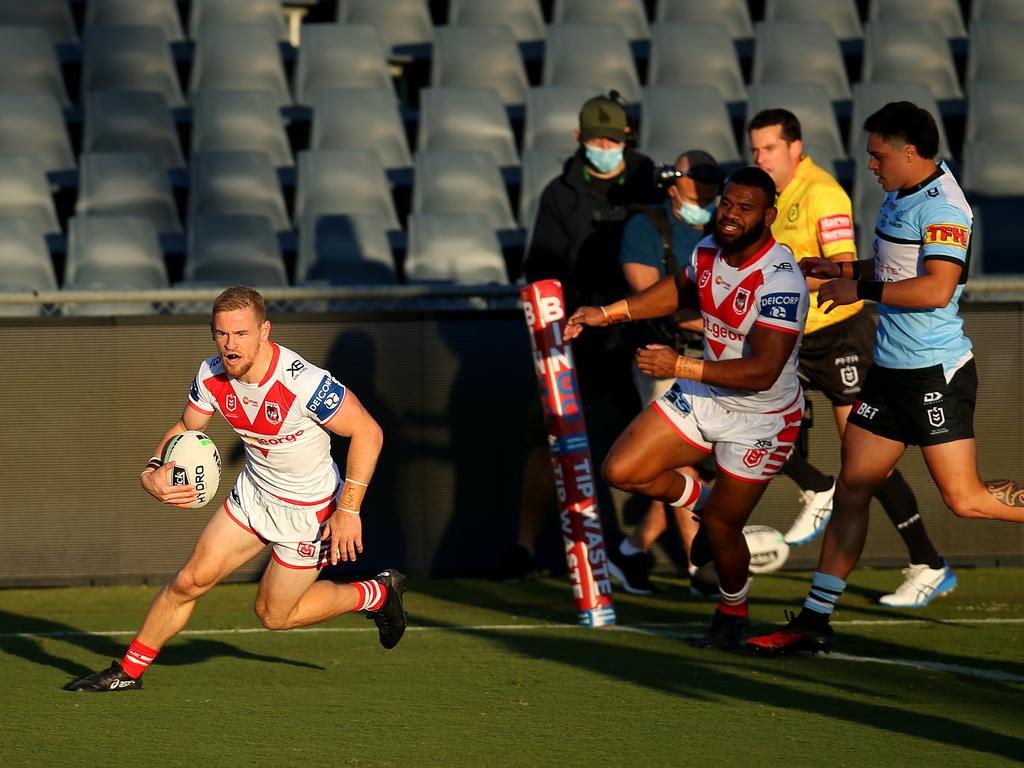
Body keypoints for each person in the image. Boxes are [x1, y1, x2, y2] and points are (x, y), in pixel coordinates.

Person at [747, 102, 1024, 657]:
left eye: (878, 154)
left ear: (910, 151)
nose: (870, 164)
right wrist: (842, 270)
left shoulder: (945, 206)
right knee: (853, 488)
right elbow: (897, 269)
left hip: (932, 374)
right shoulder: (899, 196)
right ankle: (815, 620)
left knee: (965, 500)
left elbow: (935, 289)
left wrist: (860, 292)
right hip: (890, 371)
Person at [66, 286, 405, 692]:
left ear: (265, 331)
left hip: (309, 513)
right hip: (254, 495)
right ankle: (128, 672)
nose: (230, 345)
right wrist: (152, 470)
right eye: (222, 334)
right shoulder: (211, 375)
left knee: (274, 615)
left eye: (241, 334)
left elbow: (368, 432)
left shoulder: (304, 383)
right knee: (190, 581)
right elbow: (186, 429)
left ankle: (375, 594)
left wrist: (348, 510)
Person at [566, 167, 809, 649]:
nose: (732, 215)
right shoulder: (706, 249)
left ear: (770, 216)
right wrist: (608, 313)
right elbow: (678, 290)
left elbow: (762, 371)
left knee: (721, 530)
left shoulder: (783, 281)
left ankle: (733, 611)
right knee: (621, 469)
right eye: (727, 204)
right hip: (706, 395)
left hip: (761, 418)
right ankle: (705, 503)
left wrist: (678, 363)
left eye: (745, 208)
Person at [748, 108, 956, 607]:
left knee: (943, 490)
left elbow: (916, 285)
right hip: (809, 341)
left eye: (769, 148)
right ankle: (819, 602)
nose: (760, 157)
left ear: (796, 148)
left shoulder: (825, 194)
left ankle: (925, 560)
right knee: (763, 422)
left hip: (846, 339)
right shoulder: (884, 197)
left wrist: (844, 279)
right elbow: (871, 264)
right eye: (755, 149)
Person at [497, 90, 662, 581]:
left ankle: (686, 555)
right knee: (543, 433)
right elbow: (540, 268)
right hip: (577, 331)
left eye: (612, 138)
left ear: (627, 137)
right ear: (579, 139)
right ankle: (524, 550)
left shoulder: (651, 183)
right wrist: (557, 332)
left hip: (643, 329)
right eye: (596, 140)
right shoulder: (558, 193)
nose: (604, 146)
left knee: (672, 437)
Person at [607, 149, 725, 596]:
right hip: (666, 356)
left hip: (718, 358)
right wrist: (728, 319)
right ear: (672, 181)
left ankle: (632, 550)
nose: (708, 191)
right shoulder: (647, 226)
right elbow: (650, 297)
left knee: (705, 467)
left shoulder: (725, 226)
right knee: (684, 459)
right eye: (699, 180)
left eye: (714, 181)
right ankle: (703, 569)